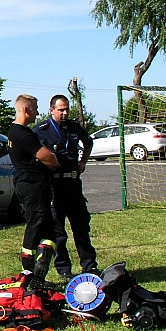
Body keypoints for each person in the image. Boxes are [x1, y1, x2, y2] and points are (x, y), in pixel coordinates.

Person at [34, 94, 99, 280]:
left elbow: (89, 142)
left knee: (81, 226)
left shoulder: (74, 127)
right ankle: (63, 268)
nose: (64, 113)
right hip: (55, 184)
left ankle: (90, 266)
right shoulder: (42, 130)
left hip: (73, 182)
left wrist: (83, 161)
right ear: (51, 110)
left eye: (66, 109)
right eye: (60, 109)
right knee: (57, 230)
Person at [7, 94, 60, 286]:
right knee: (36, 226)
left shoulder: (16, 132)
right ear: (26, 110)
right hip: (32, 186)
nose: (38, 113)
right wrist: (52, 159)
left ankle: (39, 275)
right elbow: (48, 157)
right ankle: (29, 274)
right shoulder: (22, 133)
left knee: (48, 231)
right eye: (36, 109)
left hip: (33, 185)